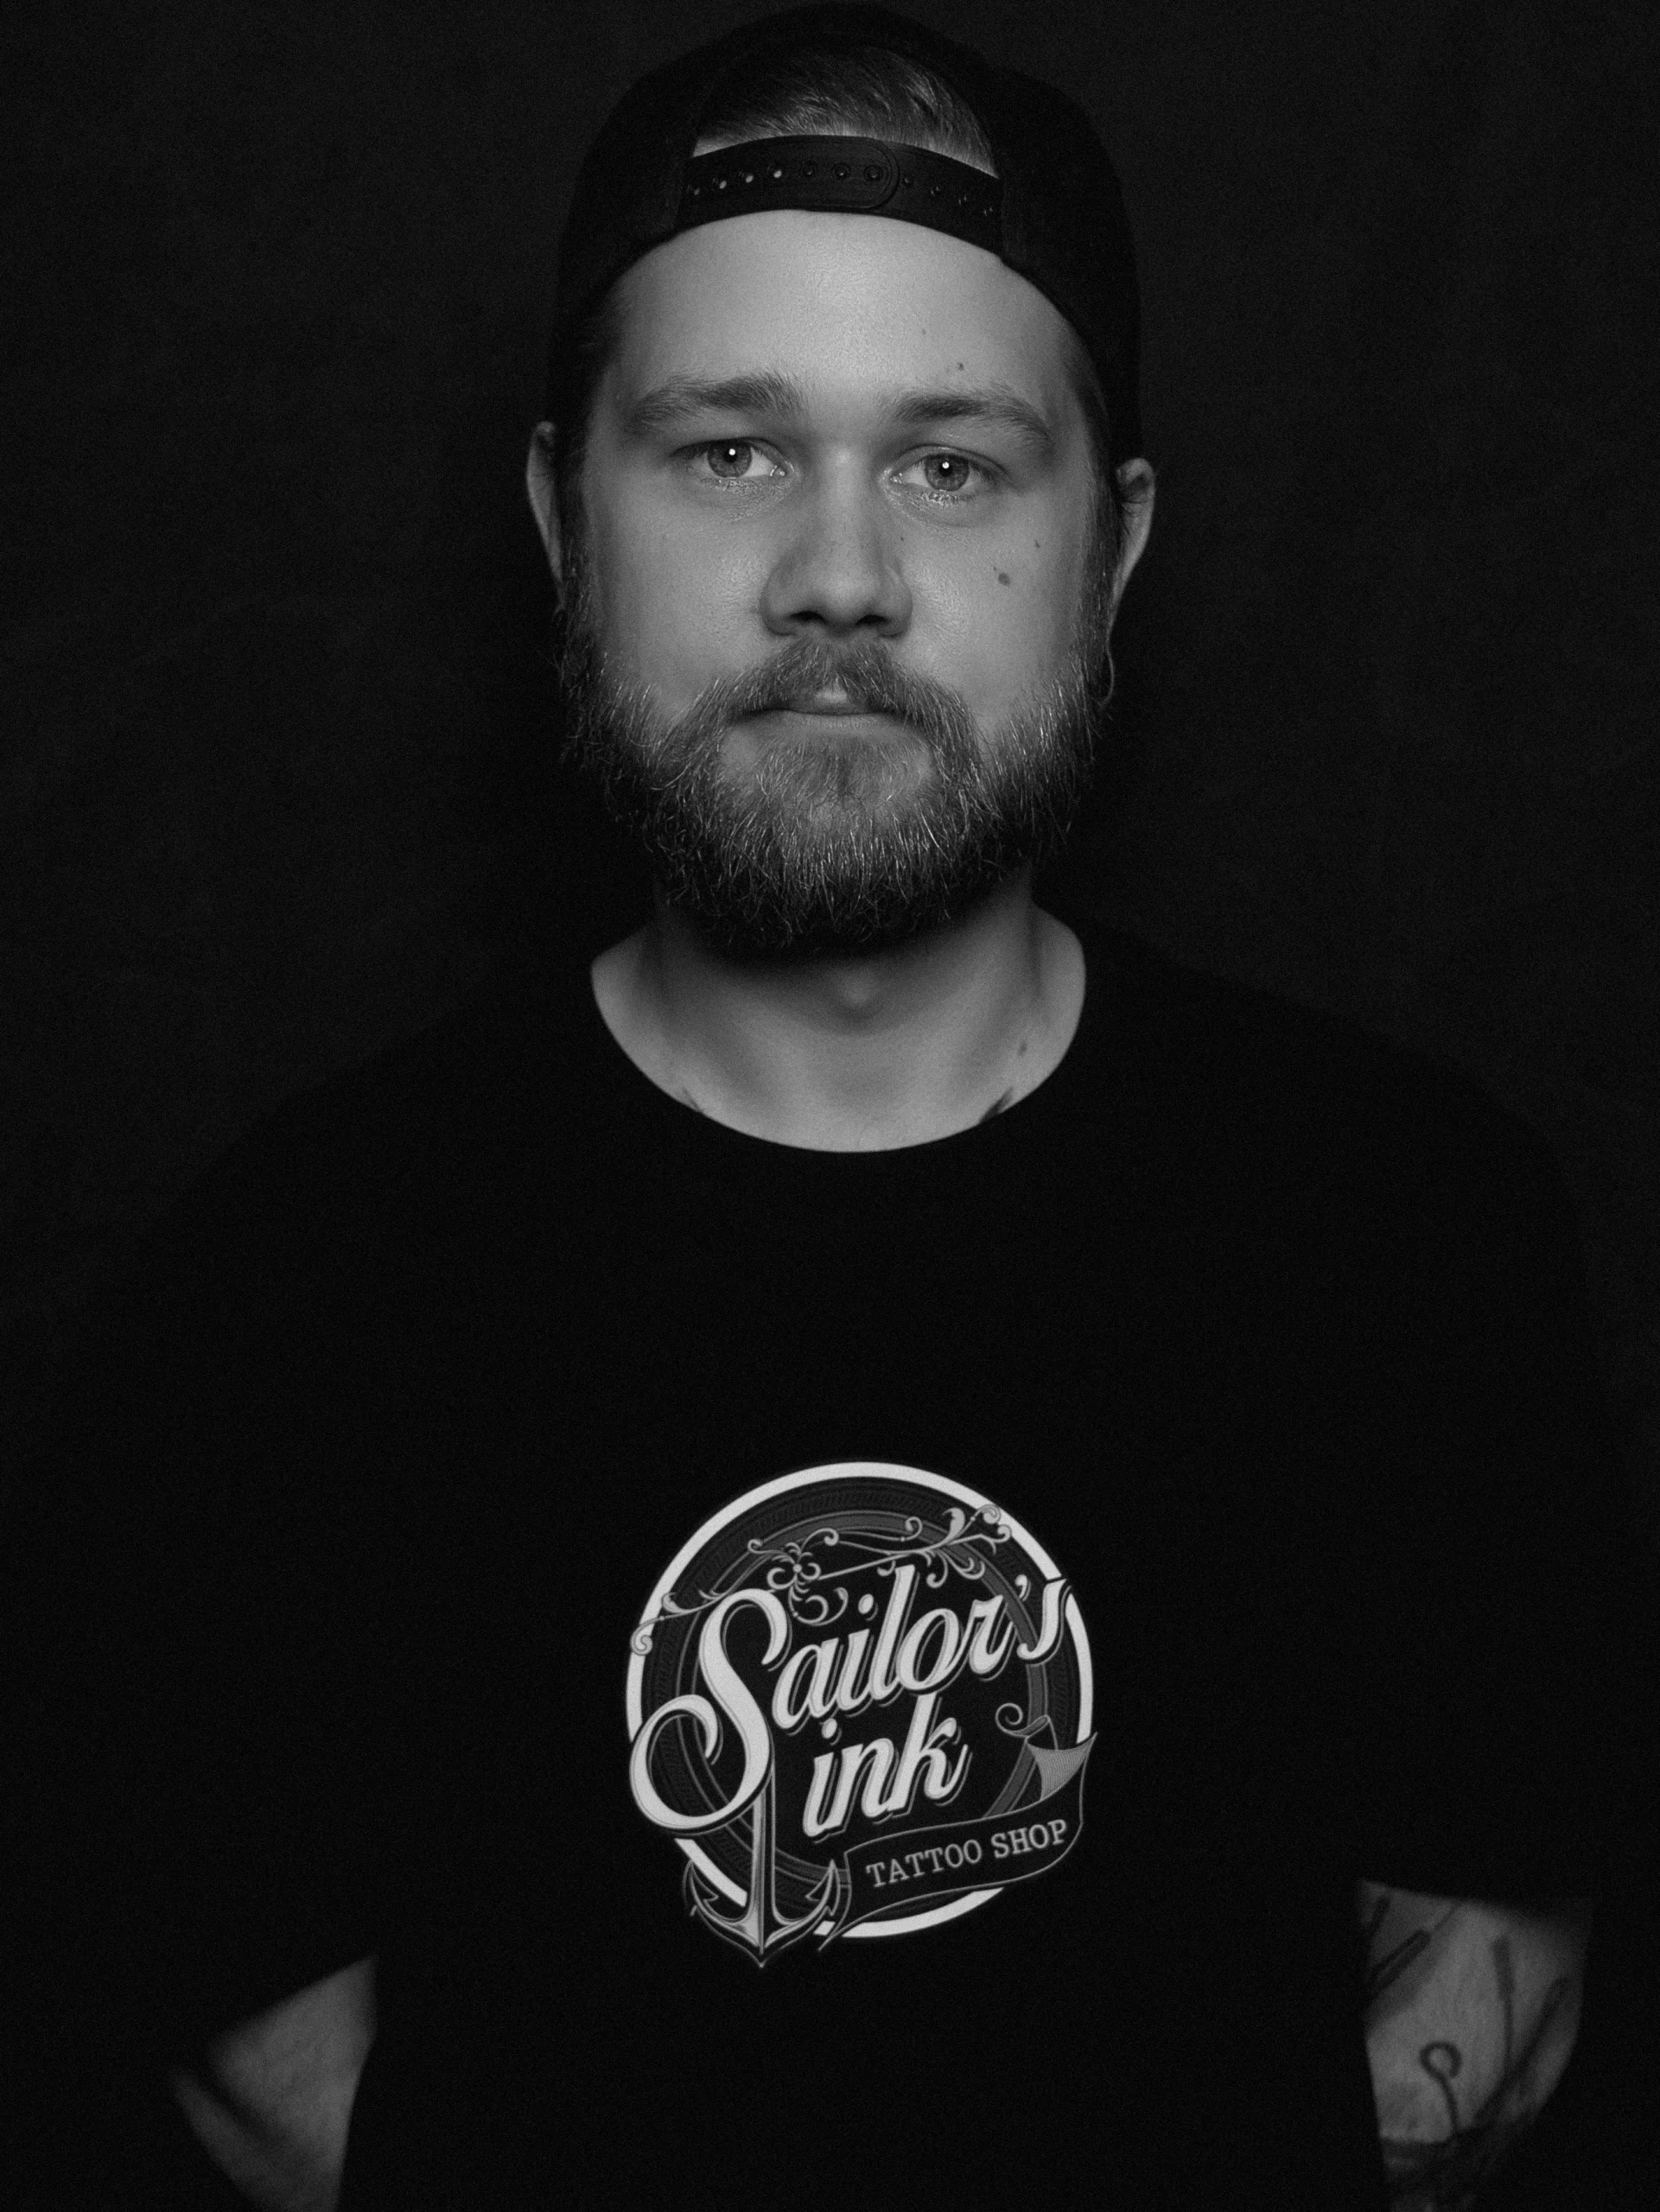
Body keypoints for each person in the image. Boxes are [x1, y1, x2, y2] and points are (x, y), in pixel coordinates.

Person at [11, 6, 1655, 2208]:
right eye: (730, 450)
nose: (843, 575)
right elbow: (266, 2055)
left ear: (1115, 548)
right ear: (560, 514)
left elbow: (1490, 1966)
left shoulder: (1407, 1228)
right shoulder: (289, 1285)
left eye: (955, 463)